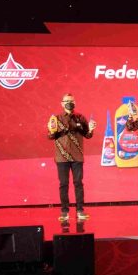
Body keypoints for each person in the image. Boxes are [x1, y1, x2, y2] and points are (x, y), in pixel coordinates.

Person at [47, 93, 96, 222]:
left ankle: (80, 210)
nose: (70, 103)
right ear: (62, 104)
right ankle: (64, 212)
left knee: (78, 183)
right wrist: (52, 130)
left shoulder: (80, 117)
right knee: (63, 184)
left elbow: (87, 135)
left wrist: (91, 129)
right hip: (61, 157)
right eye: (67, 101)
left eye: (72, 101)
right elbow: (50, 136)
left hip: (77, 156)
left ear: (75, 103)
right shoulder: (56, 119)